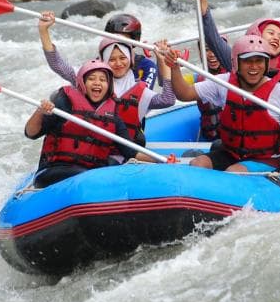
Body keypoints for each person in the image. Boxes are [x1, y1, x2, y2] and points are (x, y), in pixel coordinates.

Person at [165, 32, 280, 173]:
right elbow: (184, 94)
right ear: (235, 63)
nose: (254, 66)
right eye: (247, 61)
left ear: (266, 63)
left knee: (233, 171)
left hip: (265, 158)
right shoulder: (224, 83)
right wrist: (175, 68)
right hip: (231, 153)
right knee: (197, 163)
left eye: (259, 61)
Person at [38, 11, 175, 146]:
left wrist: (165, 63)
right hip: (93, 143)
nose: (118, 63)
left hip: (126, 144)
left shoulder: (137, 84)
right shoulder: (91, 77)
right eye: (112, 59)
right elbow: (58, 65)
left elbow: (168, 99)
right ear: (103, 59)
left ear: (130, 58)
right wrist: (44, 31)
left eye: (123, 58)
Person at [24, 60, 162, 188]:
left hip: (91, 175)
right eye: (91, 79)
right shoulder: (64, 102)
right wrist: (40, 112)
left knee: (104, 174)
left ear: (108, 86)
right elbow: (31, 133)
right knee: (88, 178)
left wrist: (161, 161)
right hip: (55, 170)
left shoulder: (113, 115)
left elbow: (131, 152)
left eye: (103, 80)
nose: (97, 83)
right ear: (82, 82)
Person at [104, 13, 159, 89]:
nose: (118, 44)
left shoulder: (147, 66)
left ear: (134, 40)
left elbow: (143, 96)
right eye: (114, 38)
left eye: (123, 40)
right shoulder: (99, 63)